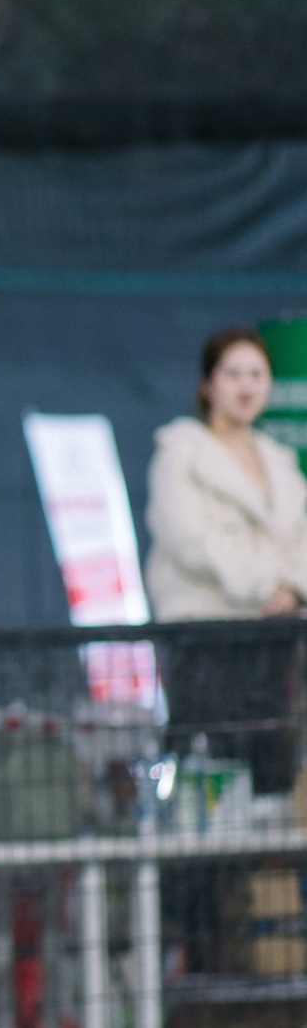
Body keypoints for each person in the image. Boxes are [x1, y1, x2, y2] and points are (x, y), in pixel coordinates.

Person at [146, 327, 307, 792]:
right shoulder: (179, 454)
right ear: (207, 384)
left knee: (272, 770)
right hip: (206, 640)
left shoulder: (281, 463)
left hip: (275, 640)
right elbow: (188, 539)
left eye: (257, 374)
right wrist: (263, 587)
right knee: (208, 767)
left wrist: (293, 590)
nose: (246, 386)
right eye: (233, 373)